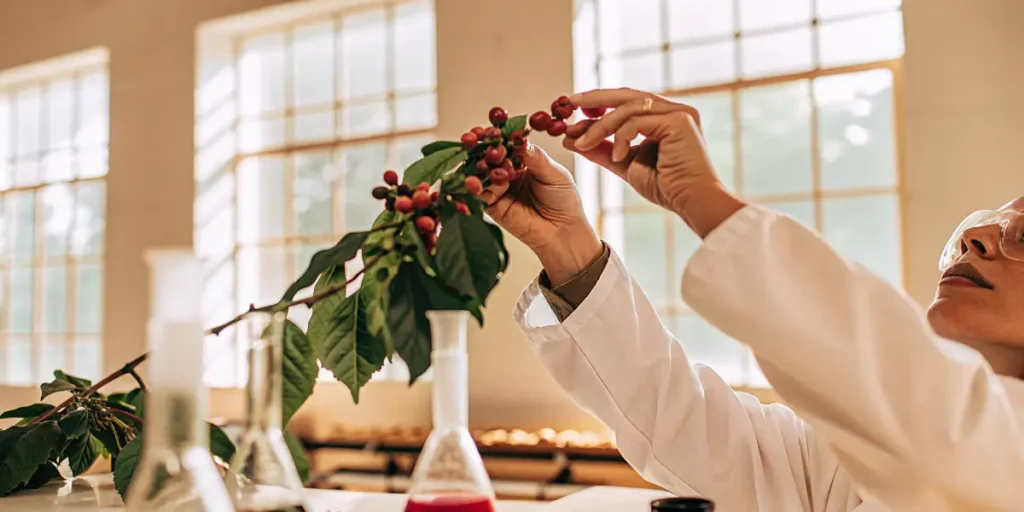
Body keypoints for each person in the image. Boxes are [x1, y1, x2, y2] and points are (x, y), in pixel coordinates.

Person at [482, 88, 1024, 511]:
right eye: (984, 225)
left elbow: (933, 426)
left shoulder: (973, 440)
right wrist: (567, 244)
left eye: (1022, 236)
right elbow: (693, 429)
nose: (976, 241)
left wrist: (702, 199)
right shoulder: (858, 452)